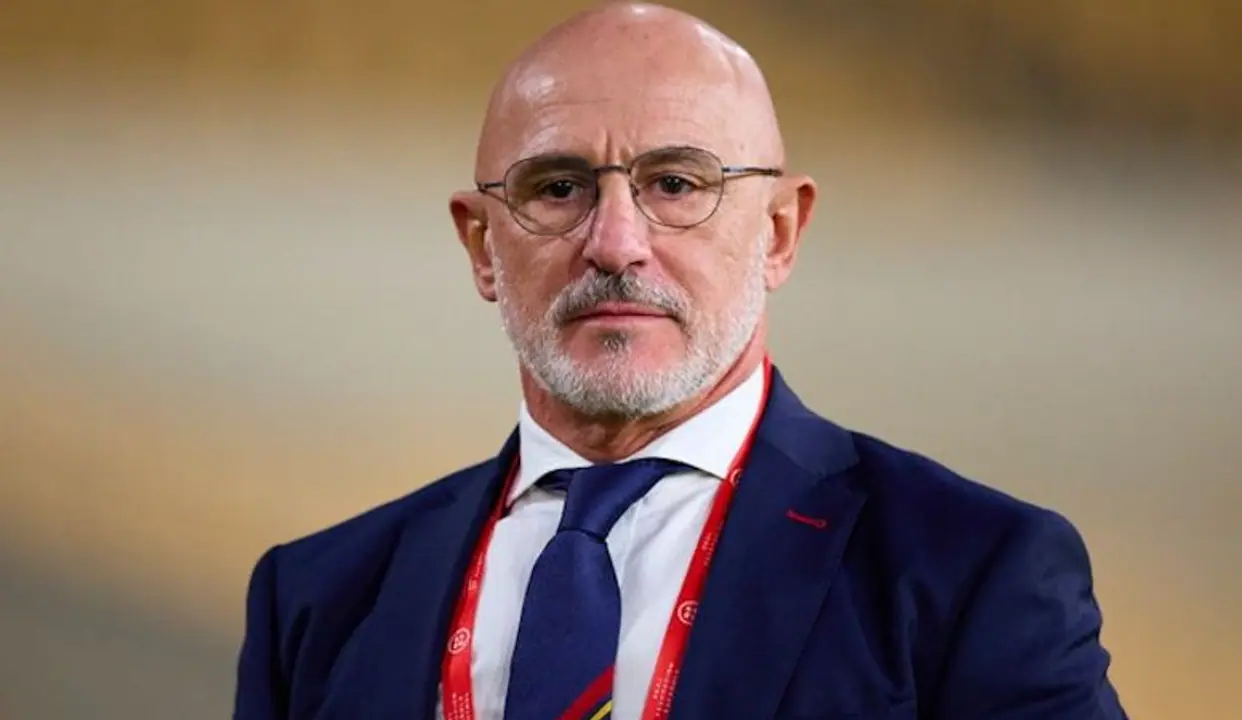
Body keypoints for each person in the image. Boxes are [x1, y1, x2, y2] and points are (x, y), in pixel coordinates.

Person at [233, 3, 1127, 719]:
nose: (615, 243)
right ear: (481, 247)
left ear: (780, 231)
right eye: (558, 188)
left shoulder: (971, 575)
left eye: (676, 183)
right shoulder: (314, 601)